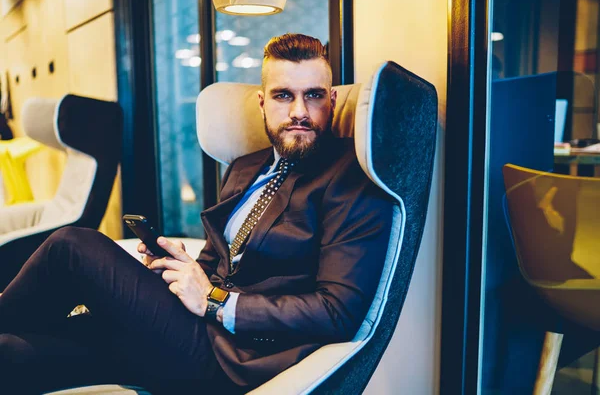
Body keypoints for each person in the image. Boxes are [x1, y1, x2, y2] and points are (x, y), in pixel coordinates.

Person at [0, 33, 393, 394]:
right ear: (262, 102)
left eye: (313, 95)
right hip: (185, 329)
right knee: (14, 355)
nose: (300, 112)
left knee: (72, 246)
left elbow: (336, 311)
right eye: (283, 96)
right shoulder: (245, 166)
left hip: (233, 357)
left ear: (333, 101)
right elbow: (219, 258)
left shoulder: (350, 178)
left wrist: (214, 300)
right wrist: (179, 267)